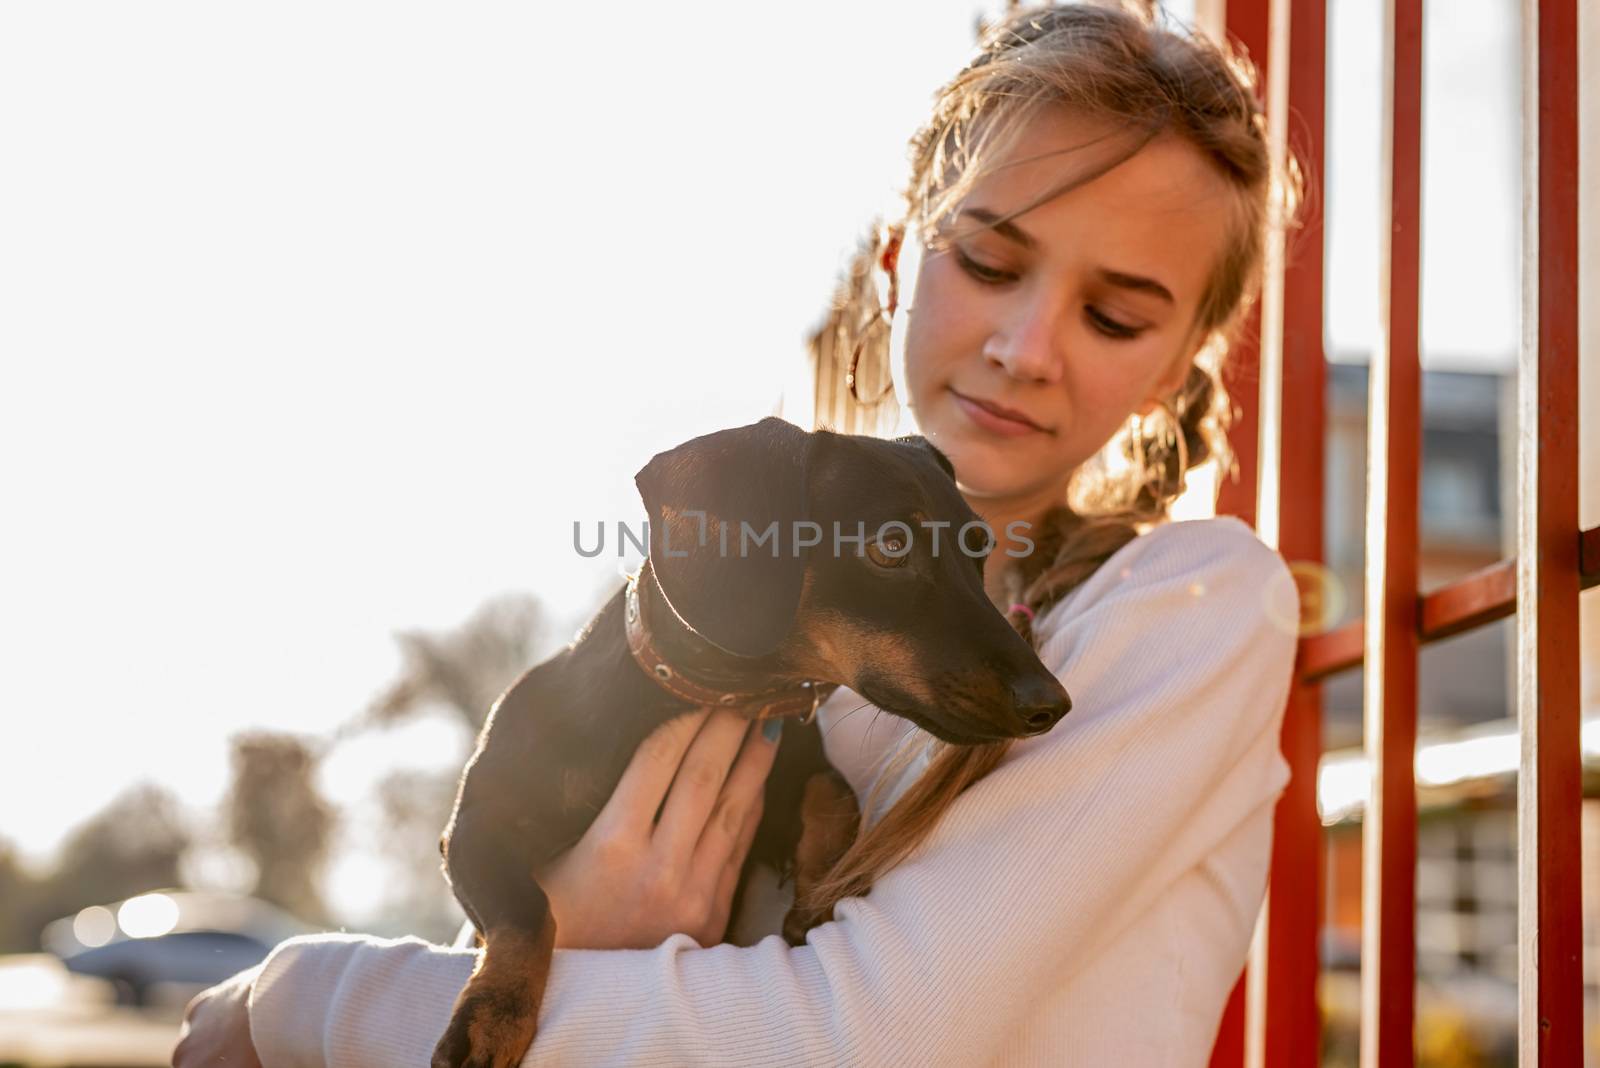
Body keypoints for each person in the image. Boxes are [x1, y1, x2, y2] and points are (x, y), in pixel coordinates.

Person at [173, 3, 1305, 1064]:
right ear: (896, 260)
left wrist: (297, 1003)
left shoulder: (1194, 605)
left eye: (1113, 314)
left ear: (1179, 366)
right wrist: (575, 931)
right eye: (991, 261)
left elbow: (855, 1037)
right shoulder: (760, 625)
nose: (1025, 344)